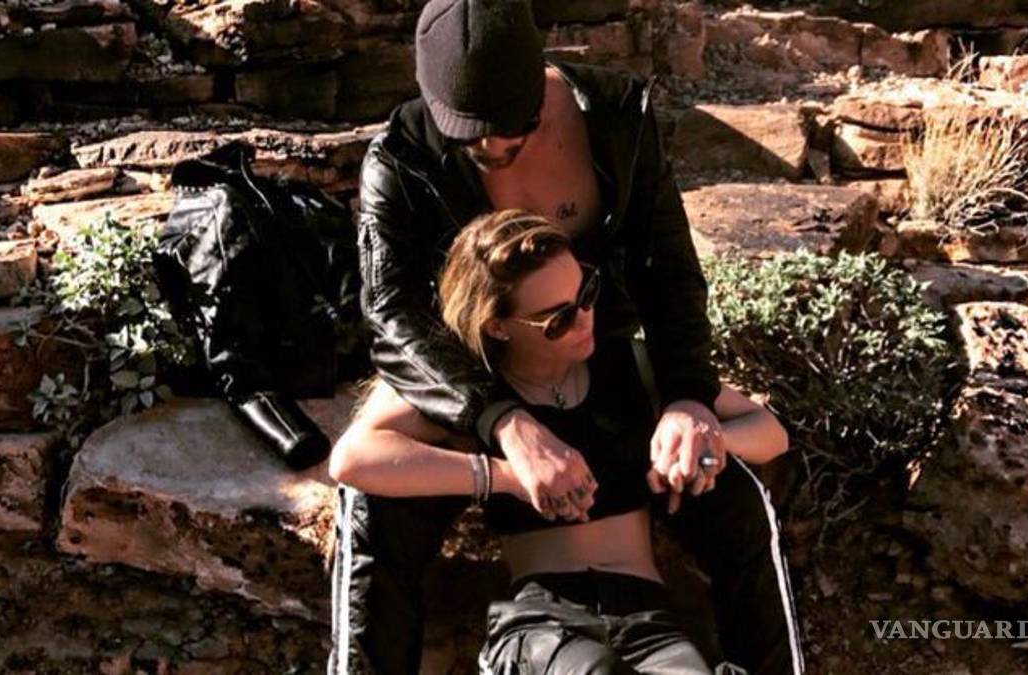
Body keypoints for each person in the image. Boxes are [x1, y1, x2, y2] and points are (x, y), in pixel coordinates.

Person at [329, 0, 806, 673]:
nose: (491, 152)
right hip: (466, 368)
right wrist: (501, 429)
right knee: (373, 511)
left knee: (731, 491)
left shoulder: (616, 117)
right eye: (468, 138)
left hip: (604, 370)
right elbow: (390, 315)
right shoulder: (402, 155)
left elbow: (670, 273)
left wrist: (688, 400)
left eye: (511, 132)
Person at [330, 210, 792, 674]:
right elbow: (352, 459)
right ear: (498, 325)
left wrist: (702, 445)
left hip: (648, 617)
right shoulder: (470, 389)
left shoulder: (633, 366)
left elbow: (770, 432)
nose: (584, 319)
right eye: (558, 319)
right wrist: (506, 476)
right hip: (541, 622)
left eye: (587, 293)